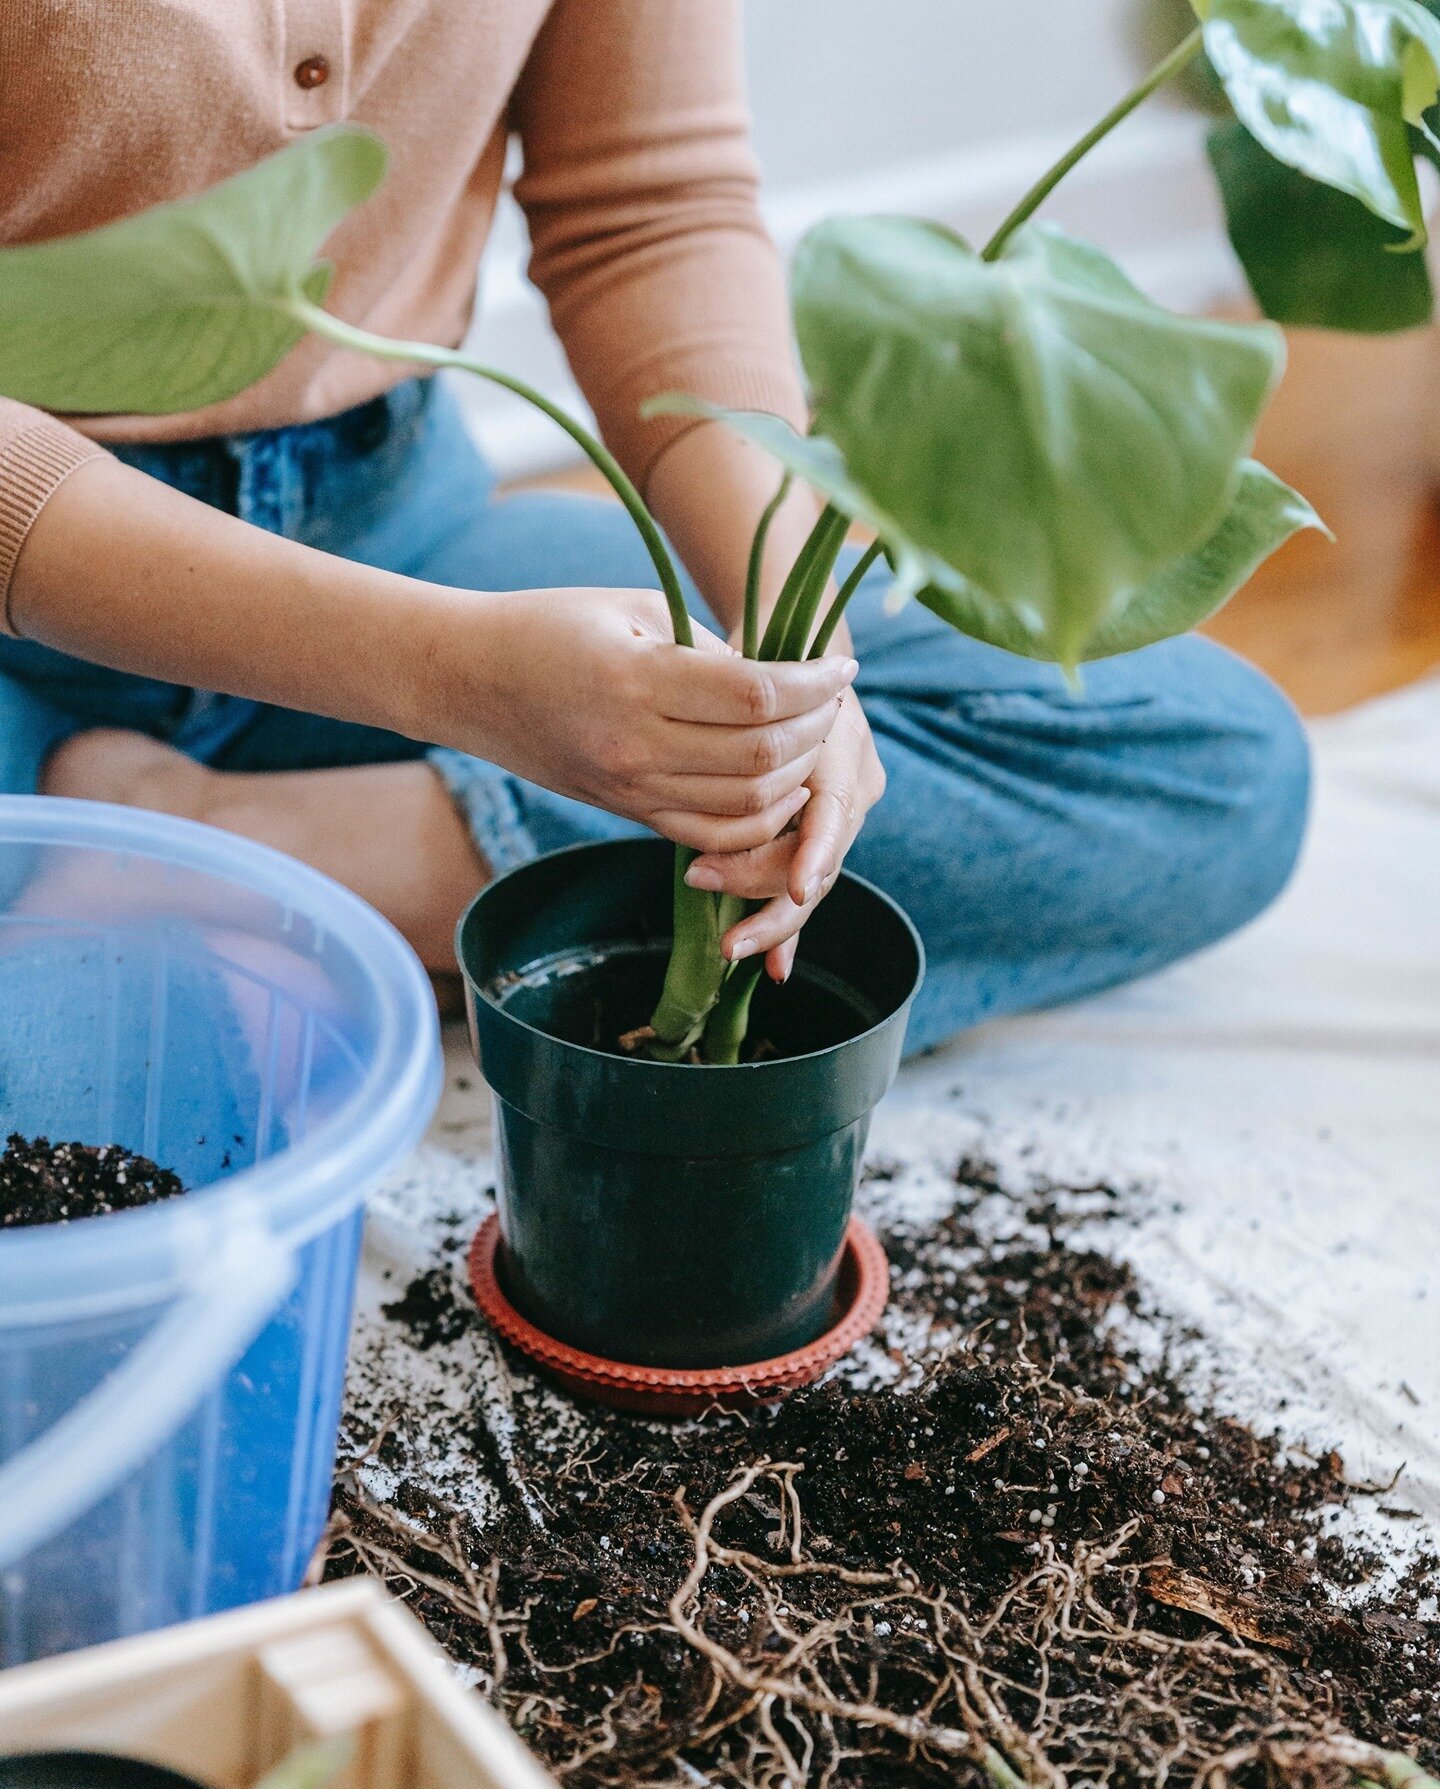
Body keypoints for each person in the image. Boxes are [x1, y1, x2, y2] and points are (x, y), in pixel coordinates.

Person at [0, 1, 1308, 1054]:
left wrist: (792, 647)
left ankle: (222, 855)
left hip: (391, 527)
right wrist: (456, 679)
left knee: (1207, 764)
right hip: (52, 604)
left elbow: (646, 209)